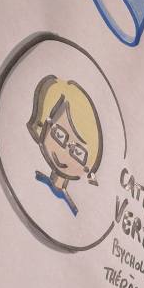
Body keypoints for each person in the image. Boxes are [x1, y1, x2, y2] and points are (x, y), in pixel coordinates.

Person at [27, 75, 103, 216]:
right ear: (43, 124)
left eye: (78, 153)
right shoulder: (35, 178)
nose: (64, 153)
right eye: (59, 135)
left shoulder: (73, 208)